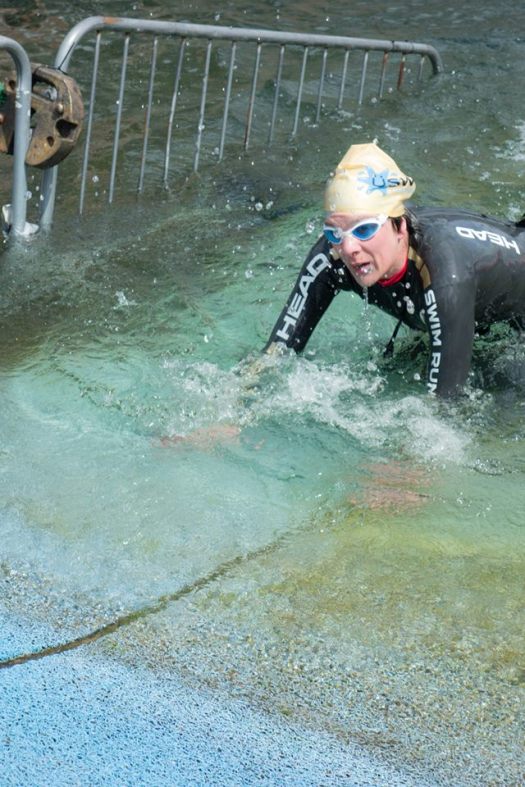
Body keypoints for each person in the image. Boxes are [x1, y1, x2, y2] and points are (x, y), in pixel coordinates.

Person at [265, 142, 525, 397]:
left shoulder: (445, 274)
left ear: (400, 227)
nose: (349, 247)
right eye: (335, 231)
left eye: (364, 229)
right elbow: (274, 355)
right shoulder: (332, 255)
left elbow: (446, 404)